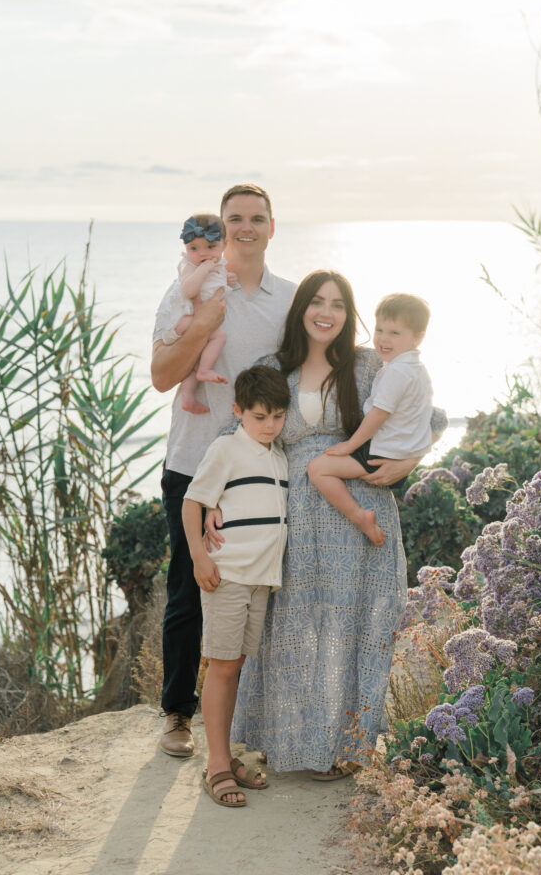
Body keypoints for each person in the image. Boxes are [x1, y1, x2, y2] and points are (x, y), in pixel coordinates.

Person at [220, 271, 444, 777]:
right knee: (292, 628)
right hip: (292, 514)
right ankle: (288, 740)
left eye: (338, 304)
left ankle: (343, 747)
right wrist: (215, 500)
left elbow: (430, 416)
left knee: (351, 628)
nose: (327, 311)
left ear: (349, 315)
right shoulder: (275, 369)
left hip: (360, 507)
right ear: (301, 308)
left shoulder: (368, 364)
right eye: (317, 302)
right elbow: (236, 433)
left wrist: (407, 464)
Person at [151, 184, 296, 758]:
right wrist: (207, 317)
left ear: (272, 226)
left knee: (261, 589)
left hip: (257, 471)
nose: (244, 227)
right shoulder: (193, 288)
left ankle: (248, 720)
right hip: (192, 464)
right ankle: (176, 713)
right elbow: (163, 374)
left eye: (256, 218)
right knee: (191, 587)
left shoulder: (288, 302)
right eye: (233, 218)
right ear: (218, 226)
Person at [182, 365, 290, 806]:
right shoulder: (227, 447)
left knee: (236, 667)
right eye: (260, 416)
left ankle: (225, 756)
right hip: (227, 574)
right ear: (238, 411)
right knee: (223, 667)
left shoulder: (279, 457)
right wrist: (199, 555)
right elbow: (193, 502)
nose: (269, 426)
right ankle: (217, 766)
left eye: (278, 416)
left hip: (261, 579)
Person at [307, 293, 433, 545]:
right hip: (400, 451)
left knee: (318, 469)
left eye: (395, 333)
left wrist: (349, 446)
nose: (384, 339)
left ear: (418, 337)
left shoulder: (396, 372)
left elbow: (378, 415)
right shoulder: (416, 369)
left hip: (382, 453)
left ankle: (360, 517)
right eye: (380, 330)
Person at [158, 213, 236, 413]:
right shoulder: (189, 266)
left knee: (195, 356)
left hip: (191, 319)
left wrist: (227, 280)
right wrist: (205, 269)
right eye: (194, 248)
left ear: (224, 245)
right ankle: (204, 370)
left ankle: (188, 397)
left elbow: (213, 285)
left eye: (210, 247)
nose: (202, 254)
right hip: (181, 320)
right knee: (219, 335)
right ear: (185, 248)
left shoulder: (216, 265)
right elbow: (189, 290)